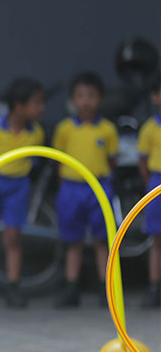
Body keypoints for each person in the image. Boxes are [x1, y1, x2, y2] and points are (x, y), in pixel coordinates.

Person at [0, 78, 46, 308]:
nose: (41, 108)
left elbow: (34, 162)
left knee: (13, 238)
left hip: (17, 186)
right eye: (37, 103)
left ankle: (13, 287)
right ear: (18, 106)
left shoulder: (36, 134)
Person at [52, 72, 117, 308]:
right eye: (80, 96)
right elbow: (58, 162)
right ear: (72, 100)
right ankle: (71, 288)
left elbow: (111, 161)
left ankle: (105, 288)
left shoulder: (108, 130)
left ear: (100, 99)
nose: (86, 101)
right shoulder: (65, 129)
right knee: (73, 241)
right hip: (70, 188)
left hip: (99, 187)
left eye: (91, 96)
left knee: (103, 240)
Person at [137, 71, 161, 309]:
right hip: (157, 184)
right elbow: (142, 159)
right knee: (157, 239)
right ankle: (154, 286)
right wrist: (150, 185)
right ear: (155, 97)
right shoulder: (149, 128)